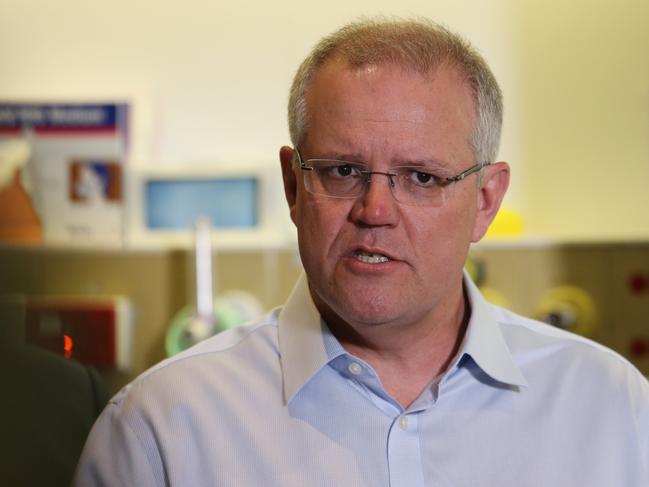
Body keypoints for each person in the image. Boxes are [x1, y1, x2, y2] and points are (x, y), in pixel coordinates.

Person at [73, 18, 649, 486]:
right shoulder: (162, 429)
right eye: (344, 170)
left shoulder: (613, 409)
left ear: (486, 200)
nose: (375, 209)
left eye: (421, 177)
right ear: (294, 187)